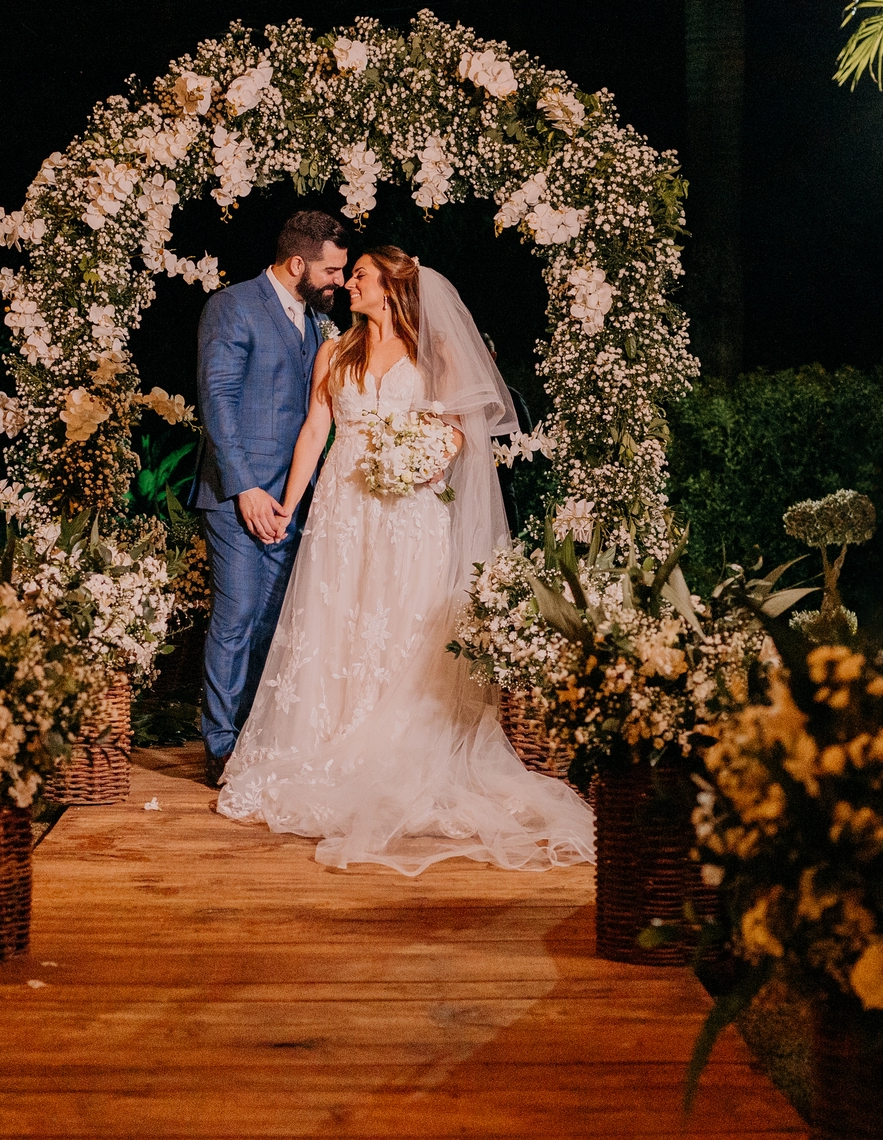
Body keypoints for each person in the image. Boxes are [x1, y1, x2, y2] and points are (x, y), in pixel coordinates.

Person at [216, 246, 595, 875]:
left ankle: (397, 753)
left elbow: (458, 428)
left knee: (401, 623)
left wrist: (423, 462)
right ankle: (329, 740)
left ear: (390, 288)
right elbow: (315, 429)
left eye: (360, 275)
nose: (350, 284)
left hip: (409, 512)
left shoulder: (432, 354)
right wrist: (287, 504)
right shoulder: (334, 351)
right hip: (343, 509)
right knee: (338, 623)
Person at [193, 209, 351, 789]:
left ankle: (259, 735)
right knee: (235, 617)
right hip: (241, 496)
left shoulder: (316, 323)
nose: (339, 280)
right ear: (297, 262)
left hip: (296, 498)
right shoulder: (233, 306)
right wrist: (247, 488)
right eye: (331, 270)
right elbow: (218, 399)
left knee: (275, 623)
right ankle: (220, 746)